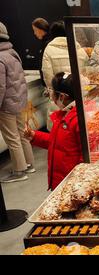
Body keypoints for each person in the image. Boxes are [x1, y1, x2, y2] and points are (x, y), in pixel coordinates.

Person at [24, 73, 83, 191]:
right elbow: (59, 143)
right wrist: (34, 136)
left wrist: (78, 184)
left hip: (71, 184)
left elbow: (85, 157)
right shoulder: (64, 115)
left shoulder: (77, 119)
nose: (50, 94)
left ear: (62, 96)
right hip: (62, 180)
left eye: (52, 91)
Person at [0, 22, 35, 183]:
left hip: (7, 105)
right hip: (20, 100)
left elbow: (0, 87)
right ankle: (29, 164)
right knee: (22, 134)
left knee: (12, 137)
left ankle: (19, 171)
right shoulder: (13, 52)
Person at [42, 21, 88, 131]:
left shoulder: (49, 50)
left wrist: (55, 93)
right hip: (78, 98)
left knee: (59, 132)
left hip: (59, 100)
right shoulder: (80, 50)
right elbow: (85, 73)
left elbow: (48, 77)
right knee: (78, 131)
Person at [32, 18, 51, 86]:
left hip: (52, 85)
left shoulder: (47, 44)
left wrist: (48, 86)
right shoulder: (46, 42)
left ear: (41, 29)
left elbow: (47, 67)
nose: (34, 33)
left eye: (35, 30)